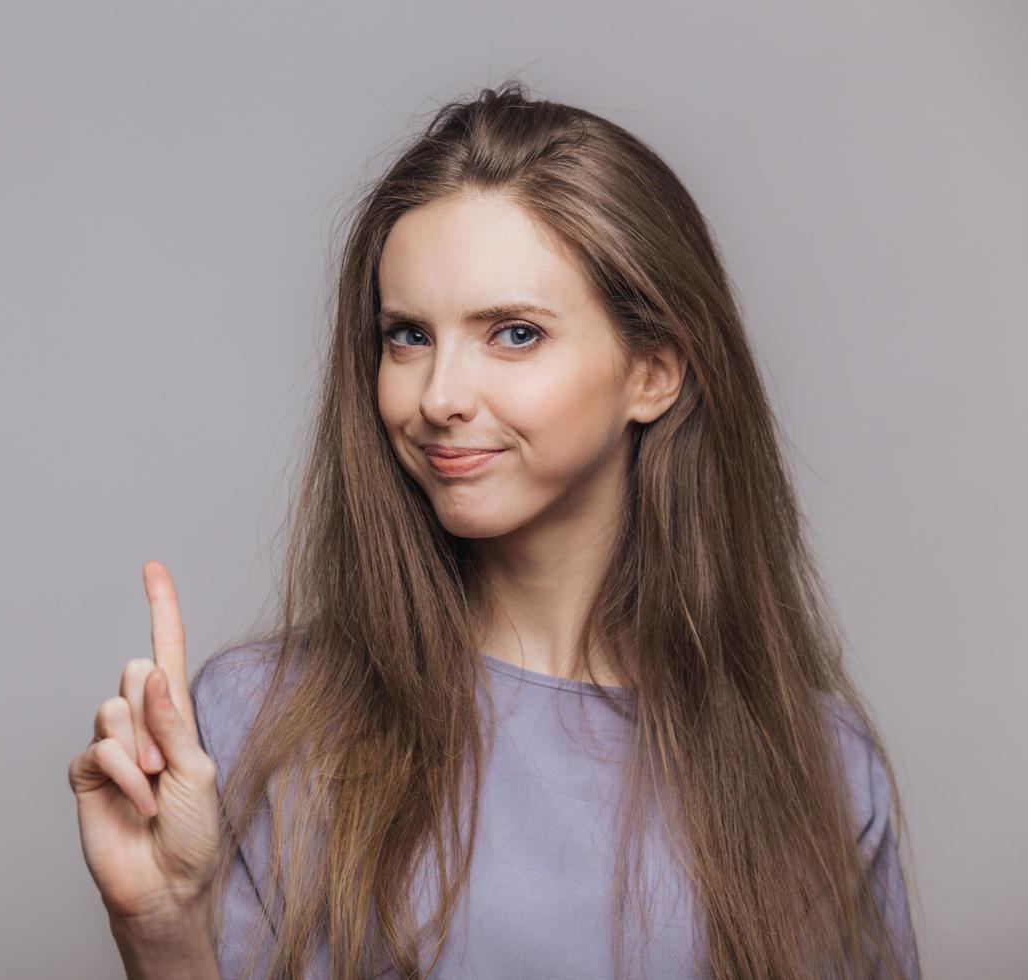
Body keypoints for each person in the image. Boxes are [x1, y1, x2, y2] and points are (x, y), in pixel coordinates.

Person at [68, 81, 921, 979]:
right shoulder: (260, 722)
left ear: (654, 374)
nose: (438, 397)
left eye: (513, 333)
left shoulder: (816, 765)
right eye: (407, 336)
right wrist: (161, 929)